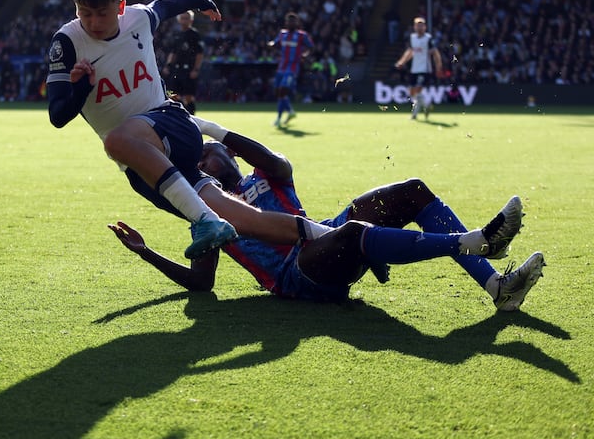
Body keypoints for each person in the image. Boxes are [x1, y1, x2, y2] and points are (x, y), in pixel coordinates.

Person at [46, 0, 332, 260]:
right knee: (247, 222)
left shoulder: (139, 18)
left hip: (170, 123)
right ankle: (346, 237)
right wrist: (80, 88)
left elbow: (164, 6)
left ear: (120, 7)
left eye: (101, 13)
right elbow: (58, 116)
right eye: (84, 13)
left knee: (115, 141)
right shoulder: (67, 43)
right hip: (143, 164)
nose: (92, 22)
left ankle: (206, 220)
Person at [109, 117, 545, 311]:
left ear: (228, 151)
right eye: (196, 164)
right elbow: (202, 282)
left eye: (205, 155)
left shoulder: (267, 173)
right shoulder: (204, 209)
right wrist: (146, 252)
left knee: (411, 191)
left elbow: (271, 158)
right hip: (296, 274)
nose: (200, 164)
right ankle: (473, 240)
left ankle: (497, 287)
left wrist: (207, 128)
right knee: (354, 230)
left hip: (324, 235)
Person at [267, 12, 313, 127]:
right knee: (279, 93)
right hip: (281, 67)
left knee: (283, 90)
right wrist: (270, 44)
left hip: (292, 68)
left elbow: (311, 47)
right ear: (286, 23)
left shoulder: (302, 35)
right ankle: (290, 111)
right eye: (289, 21)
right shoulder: (282, 34)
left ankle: (279, 118)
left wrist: (305, 55)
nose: (290, 23)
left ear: (296, 23)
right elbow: (276, 43)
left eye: (293, 21)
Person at [395, 16, 443, 120]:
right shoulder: (412, 38)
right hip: (414, 69)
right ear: (414, 27)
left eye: (421, 25)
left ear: (425, 27)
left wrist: (439, 67)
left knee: (417, 90)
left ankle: (414, 114)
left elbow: (435, 53)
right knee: (412, 92)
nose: (419, 27)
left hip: (425, 69)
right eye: (418, 25)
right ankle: (426, 106)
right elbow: (410, 52)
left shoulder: (428, 39)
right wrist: (402, 62)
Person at [162, 10, 203, 115]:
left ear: (191, 20)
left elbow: (199, 54)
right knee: (173, 95)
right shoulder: (177, 35)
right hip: (176, 69)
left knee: (188, 97)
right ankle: (177, 116)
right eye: (182, 18)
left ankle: (191, 118)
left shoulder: (194, 35)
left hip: (188, 70)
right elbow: (173, 52)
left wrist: (196, 69)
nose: (184, 21)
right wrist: (168, 65)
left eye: (186, 18)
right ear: (179, 20)